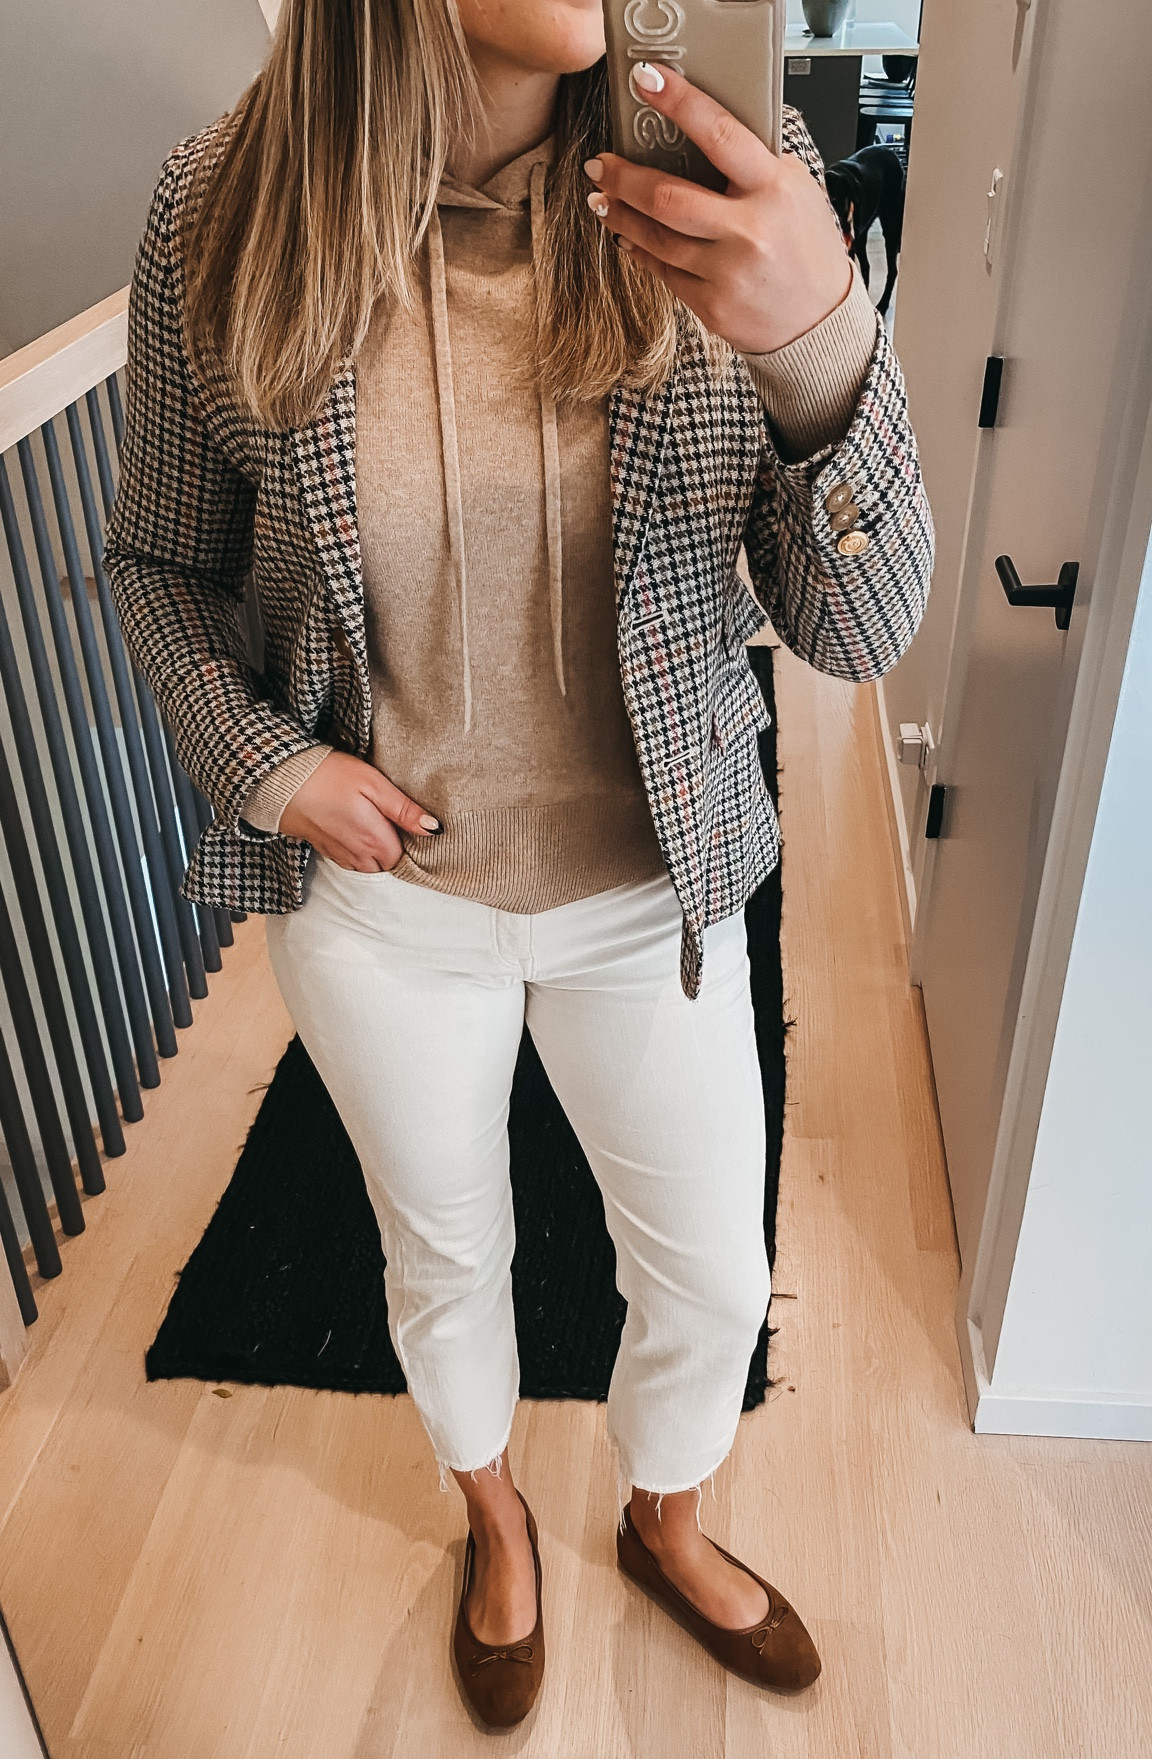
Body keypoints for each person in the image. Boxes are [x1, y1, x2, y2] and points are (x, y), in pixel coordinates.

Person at [104, 0, 933, 1730]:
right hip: (386, 908)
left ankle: (665, 1516)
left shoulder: (732, 188)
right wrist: (269, 770)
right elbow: (154, 568)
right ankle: (496, 1525)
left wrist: (823, 352)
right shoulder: (223, 210)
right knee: (442, 1252)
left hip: (655, 897)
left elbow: (858, 628)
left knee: (706, 1266)